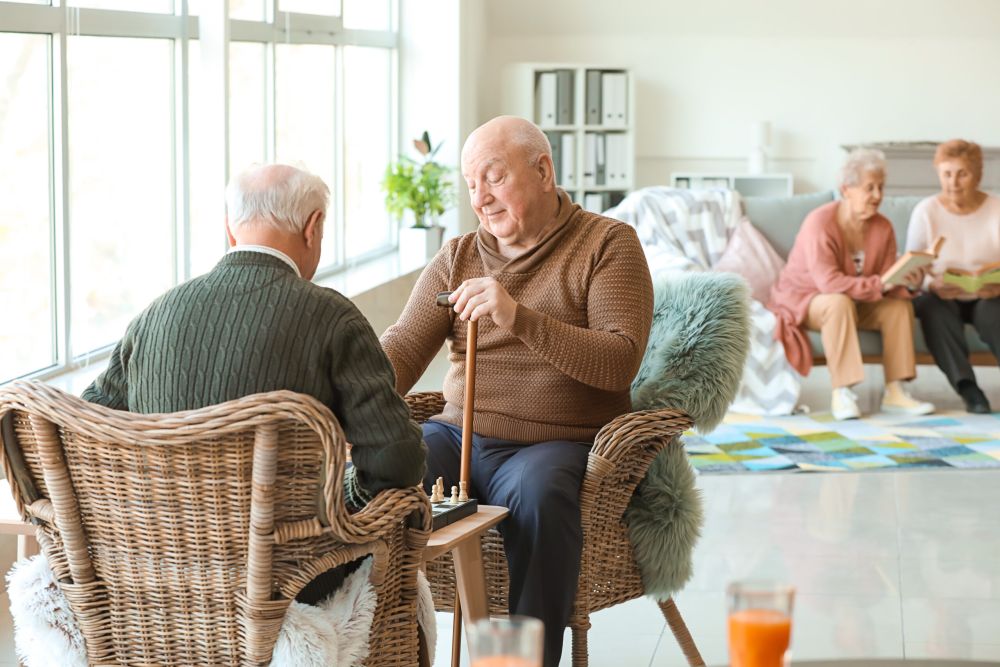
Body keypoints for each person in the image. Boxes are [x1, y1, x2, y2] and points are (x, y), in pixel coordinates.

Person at [83, 163, 426, 602]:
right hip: (292, 582)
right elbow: (397, 460)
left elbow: (88, 424)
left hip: (162, 580)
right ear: (313, 226)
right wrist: (341, 501)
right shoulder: (331, 317)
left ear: (230, 229)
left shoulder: (154, 316)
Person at [380, 116, 653, 667]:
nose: (479, 198)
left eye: (493, 177)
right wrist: (338, 383)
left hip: (552, 446)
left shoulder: (607, 244)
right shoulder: (457, 257)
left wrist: (516, 316)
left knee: (539, 495)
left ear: (543, 171)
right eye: (470, 184)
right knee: (378, 474)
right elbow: (404, 349)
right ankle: (382, 649)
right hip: (456, 435)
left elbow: (619, 363)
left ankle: (521, 664)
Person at [768, 148, 934, 420]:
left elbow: (885, 280)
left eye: (881, 187)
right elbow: (828, 282)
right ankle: (842, 391)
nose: (878, 196)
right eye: (870, 188)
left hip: (857, 300)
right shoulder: (820, 223)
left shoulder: (883, 227)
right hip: (808, 298)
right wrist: (881, 284)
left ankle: (895, 391)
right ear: (846, 189)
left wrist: (908, 281)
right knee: (837, 302)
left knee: (898, 307)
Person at [906, 139, 1000, 414]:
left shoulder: (996, 209)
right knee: (934, 309)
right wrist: (930, 284)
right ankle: (969, 389)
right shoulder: (926, 211)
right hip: (942, 295)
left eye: (962, 174)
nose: (953, 183)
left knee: (993, 313)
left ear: (978, 175)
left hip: (989, 295)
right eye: (946, 174)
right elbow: (911, 269)